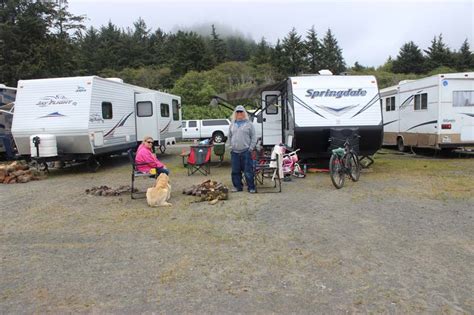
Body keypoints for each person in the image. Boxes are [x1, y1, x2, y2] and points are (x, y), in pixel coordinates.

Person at [228, 105, 257, 193]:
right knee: (235, 171)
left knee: (248, 171)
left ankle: (251, 187)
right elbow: (229, 136)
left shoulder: (249, 124)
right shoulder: (232, 125)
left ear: (244, 113)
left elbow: (254, 137)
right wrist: (230, 147)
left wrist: (251, 148)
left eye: (241, 112)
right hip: (234, 152)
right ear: (235, 114)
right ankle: (237, 187)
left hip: (246, 151)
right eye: (238, 112)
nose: (239, 113)